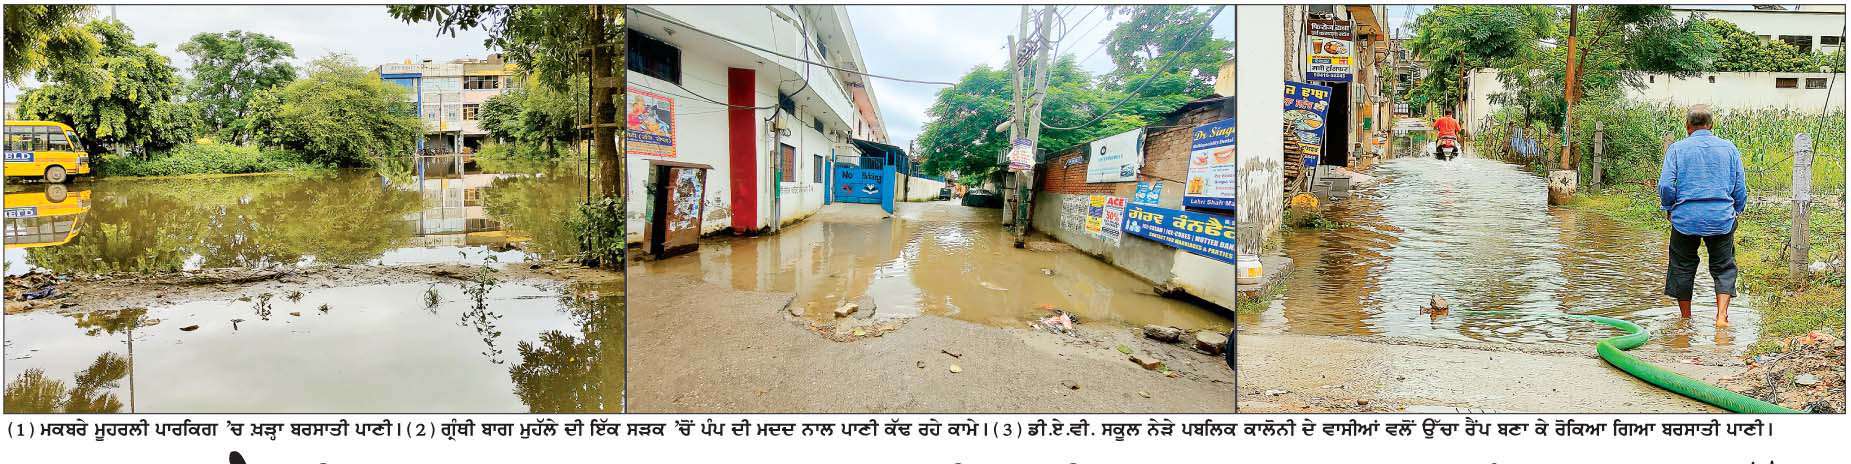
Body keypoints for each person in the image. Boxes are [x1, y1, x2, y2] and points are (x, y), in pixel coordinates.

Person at [1657, 104, 1747, 327]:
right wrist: (1736, 210)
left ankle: (1686, 318)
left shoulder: (1676, 149)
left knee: (1682, 266)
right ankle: (1721, 317)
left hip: (1685, 219)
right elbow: (1740, 186)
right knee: (1724, 266)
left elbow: (1666, 185)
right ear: (1711, 125)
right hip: (1721, 218)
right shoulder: (1729, 148)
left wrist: (1669, 207)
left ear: (1687, 126)